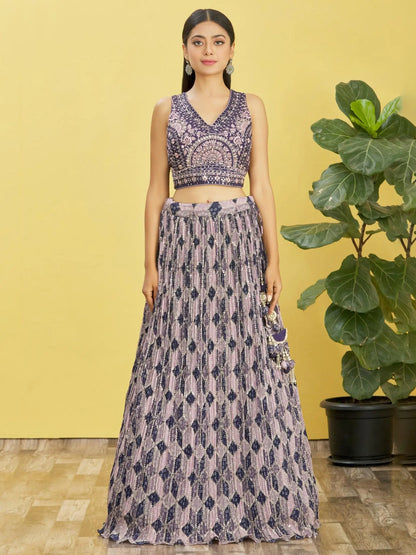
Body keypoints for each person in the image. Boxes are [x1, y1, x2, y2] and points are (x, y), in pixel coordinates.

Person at [97, 8, 320, 546]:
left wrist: (274, 258)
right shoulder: (166, 110)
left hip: (239, 243)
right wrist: (149, 263)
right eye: (198, 42)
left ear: (232, 50)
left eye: (218, 42)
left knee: (246, 362)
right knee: (173, 363)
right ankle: (162, 507)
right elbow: (157, 189)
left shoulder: (252, 107)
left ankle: (257, 503)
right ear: (184, 51)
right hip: (181, 244)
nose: (208, 51)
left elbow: (261, 184)